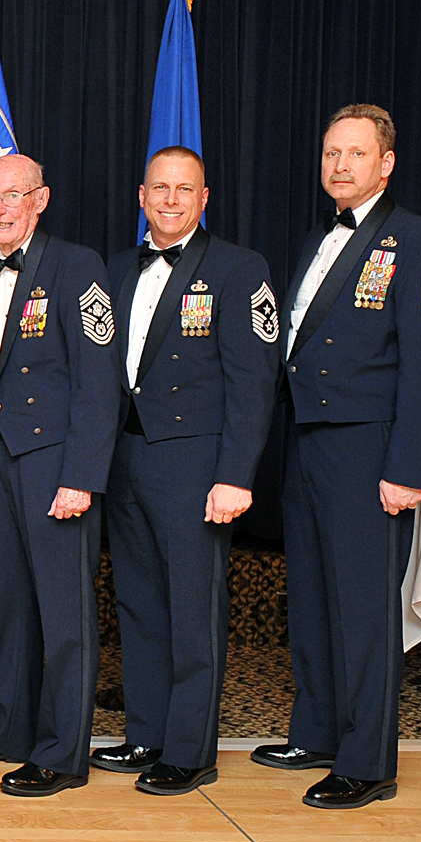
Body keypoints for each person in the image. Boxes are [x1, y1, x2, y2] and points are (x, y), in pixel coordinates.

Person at [255, 103, 421, 809]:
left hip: (370, 451)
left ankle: (368, 763)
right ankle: (316, 731)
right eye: (331, 153)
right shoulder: (319, 240)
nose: (339, 165)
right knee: (313, 598)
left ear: (386, 163)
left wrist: (408, 470)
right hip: (309, 442)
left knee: (365, 610)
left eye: (355, 153)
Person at [95, 147, 280, 794]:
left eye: (185, 190)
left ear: (204, 200)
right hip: (125, 461)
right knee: (139, 604)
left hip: (196, 467)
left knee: (191, 609)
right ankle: (145, 732)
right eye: (160, 189)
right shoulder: (117, 270)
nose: (171, 200)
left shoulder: (237, 269)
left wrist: (236, 474)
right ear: (141, 196)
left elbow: (253, 384)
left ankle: (190, 749)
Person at [0, 154, 121, 797]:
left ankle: (62, 753)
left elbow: (99, 386)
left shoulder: (77, 268)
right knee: (10, 606)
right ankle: (4, 728)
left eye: (13, 195)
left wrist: (82, 476)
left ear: (40, 199)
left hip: (55, 466)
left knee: (63, 614)